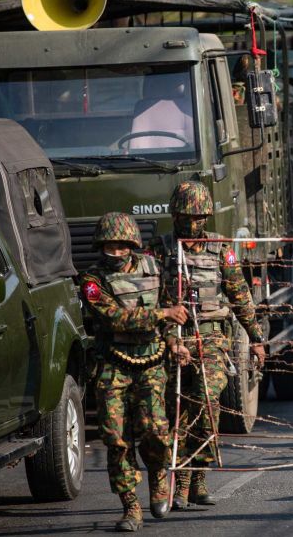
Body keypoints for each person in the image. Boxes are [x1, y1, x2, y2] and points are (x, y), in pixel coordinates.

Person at [150, 181, 266, 509]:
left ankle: (192, 479)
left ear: (207, 217)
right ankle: (187, 479)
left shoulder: (219, 249)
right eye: (185, 215)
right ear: (174, 215)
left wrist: (257, 339)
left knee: (206, 402)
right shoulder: (161, 249)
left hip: (213, 337)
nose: (191, 222)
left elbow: (240, 295)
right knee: (179, 411)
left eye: (198, 216)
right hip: (172, 340)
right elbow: (150, 295)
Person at [80, 212, 190, 532]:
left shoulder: (153, 268)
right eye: (109, 247)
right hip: (112, 364)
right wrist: (163, 313)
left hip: (151, 363)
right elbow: (114, 318)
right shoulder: (92, 281)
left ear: (132, 245)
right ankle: (131, 506)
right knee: (116, 439)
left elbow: (172, 313)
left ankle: (158, 476)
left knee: (155, 429)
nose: (115, 253)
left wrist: (174, 343)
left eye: (121, 247)